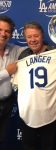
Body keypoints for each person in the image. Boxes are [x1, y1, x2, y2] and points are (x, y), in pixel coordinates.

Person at [12, 21, 56, 150]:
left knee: (48, 146)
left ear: (42, 36)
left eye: (36, 36)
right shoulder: (23, 56)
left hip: (49, 114)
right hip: (28, 114)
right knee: (28, 146)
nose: (32, 40)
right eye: (29, 37)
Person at [0, 15, 24, 148]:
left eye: (7, 31)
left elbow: (34, 50)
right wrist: (6, 72)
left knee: (2, 139)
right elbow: (7, 72)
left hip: (7, 104)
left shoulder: (14, 50)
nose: (3, 34)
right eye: (0, 30)